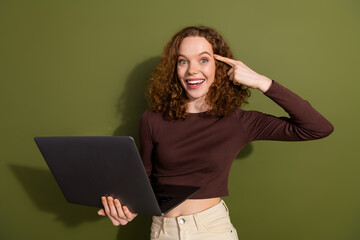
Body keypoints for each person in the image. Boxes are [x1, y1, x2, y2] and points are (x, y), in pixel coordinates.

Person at [97, 26, 334, 240]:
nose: (192, 71)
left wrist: (262, 82)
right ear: (174, 68)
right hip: (161, 231)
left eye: (203, 60)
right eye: (183, 61)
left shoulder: (238, 121)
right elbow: (145, 177)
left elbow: (317, 127)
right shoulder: (152, 118)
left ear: (219, 66)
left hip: (211, 231)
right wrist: (129, 208)